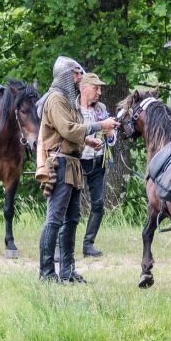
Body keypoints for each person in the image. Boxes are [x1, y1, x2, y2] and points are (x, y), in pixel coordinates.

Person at [35, 57, 118, 283]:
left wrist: (88, 142)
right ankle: (46, 273)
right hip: (60, 164)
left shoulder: (66, 100)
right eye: (76, 74)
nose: (80, 78)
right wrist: (100, 126)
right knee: (54, 219)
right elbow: (68, 130)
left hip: (72, 163)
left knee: (71, 218)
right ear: (64, 75)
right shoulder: (55, 99)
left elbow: (71, 134)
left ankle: (67, 272)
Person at [58, 72, 111, 258]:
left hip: (98, 161)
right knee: (66, 204)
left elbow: (110, 134)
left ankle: (88, 244)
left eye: (100, 88)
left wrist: (110, 136)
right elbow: (69, 132)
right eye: (96, 88)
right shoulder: (71, 107)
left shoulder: (101, 108)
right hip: (76, 161)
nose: (99, 92)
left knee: (98, 203)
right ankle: (59, 245)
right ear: (84, 88)